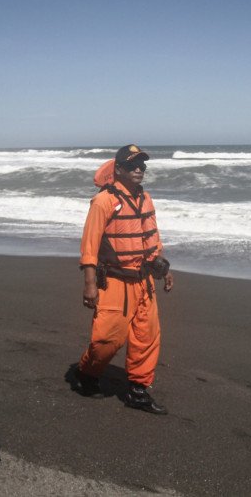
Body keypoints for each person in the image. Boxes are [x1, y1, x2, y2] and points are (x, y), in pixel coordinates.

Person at [75, 144, 174, 415]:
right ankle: (86, 374)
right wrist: (89, 283)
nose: (139, 169)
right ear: (118, 169)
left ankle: (138, 391)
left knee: (147, 336)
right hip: (114, 281)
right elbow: (90, 245)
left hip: (144, 281)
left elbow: (152, 238)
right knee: (107, 339)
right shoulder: (103, 201)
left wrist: (164, 270)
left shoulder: (146, 198)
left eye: (142, 165)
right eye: (132, 165)